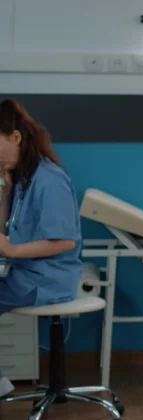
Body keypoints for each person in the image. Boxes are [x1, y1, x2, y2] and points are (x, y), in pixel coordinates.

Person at [0, 98, 83, 398]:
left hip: (46, 280)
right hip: (28, 274)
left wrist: (10, 250)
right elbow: (7, 230)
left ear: (15, 136)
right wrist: (4, 191)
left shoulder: (48, 179)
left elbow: (64, 241)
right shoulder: (23, 179)